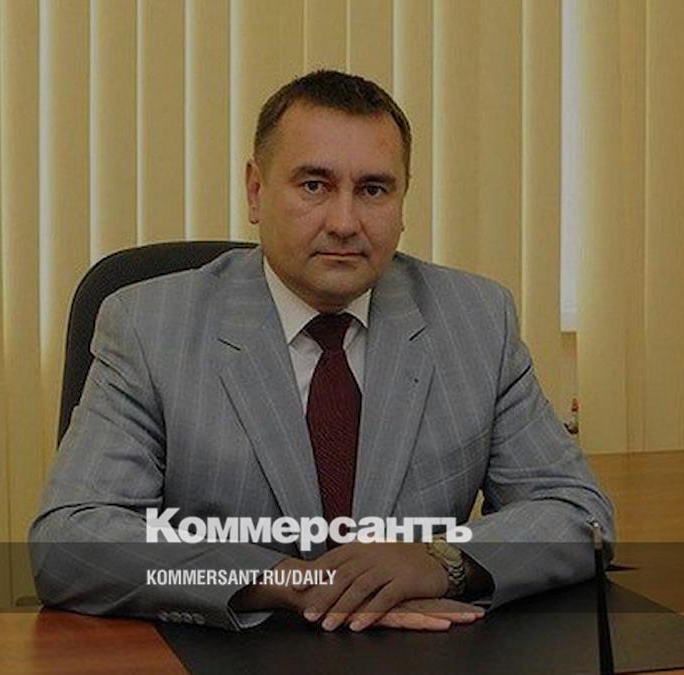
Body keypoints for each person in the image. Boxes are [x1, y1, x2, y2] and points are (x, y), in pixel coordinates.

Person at [30, 70, 613, 633]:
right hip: (232, 648)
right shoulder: (150, 326)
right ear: (256, 191)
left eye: (373, 190)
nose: (344, 222)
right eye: (314, 186)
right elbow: (71, 539)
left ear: (403, 201)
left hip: (424, 652)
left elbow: (576, 511)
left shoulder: (476, 320)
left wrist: (440, 561)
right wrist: (283, 580)